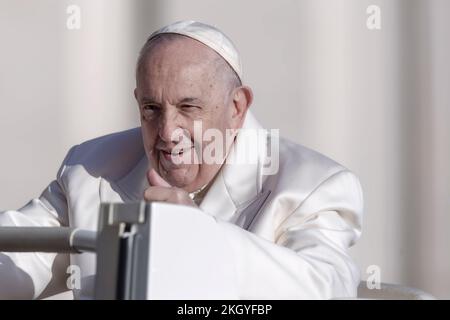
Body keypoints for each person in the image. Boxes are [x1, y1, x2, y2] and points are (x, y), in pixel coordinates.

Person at [0, 20, 363, 299]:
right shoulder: (93, 169)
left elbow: (325, 288)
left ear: (237, 107)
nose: (168, 131)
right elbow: (17, 260)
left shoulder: (312, 184)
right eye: (151, 109)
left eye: (188, 107)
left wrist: (198, 235)